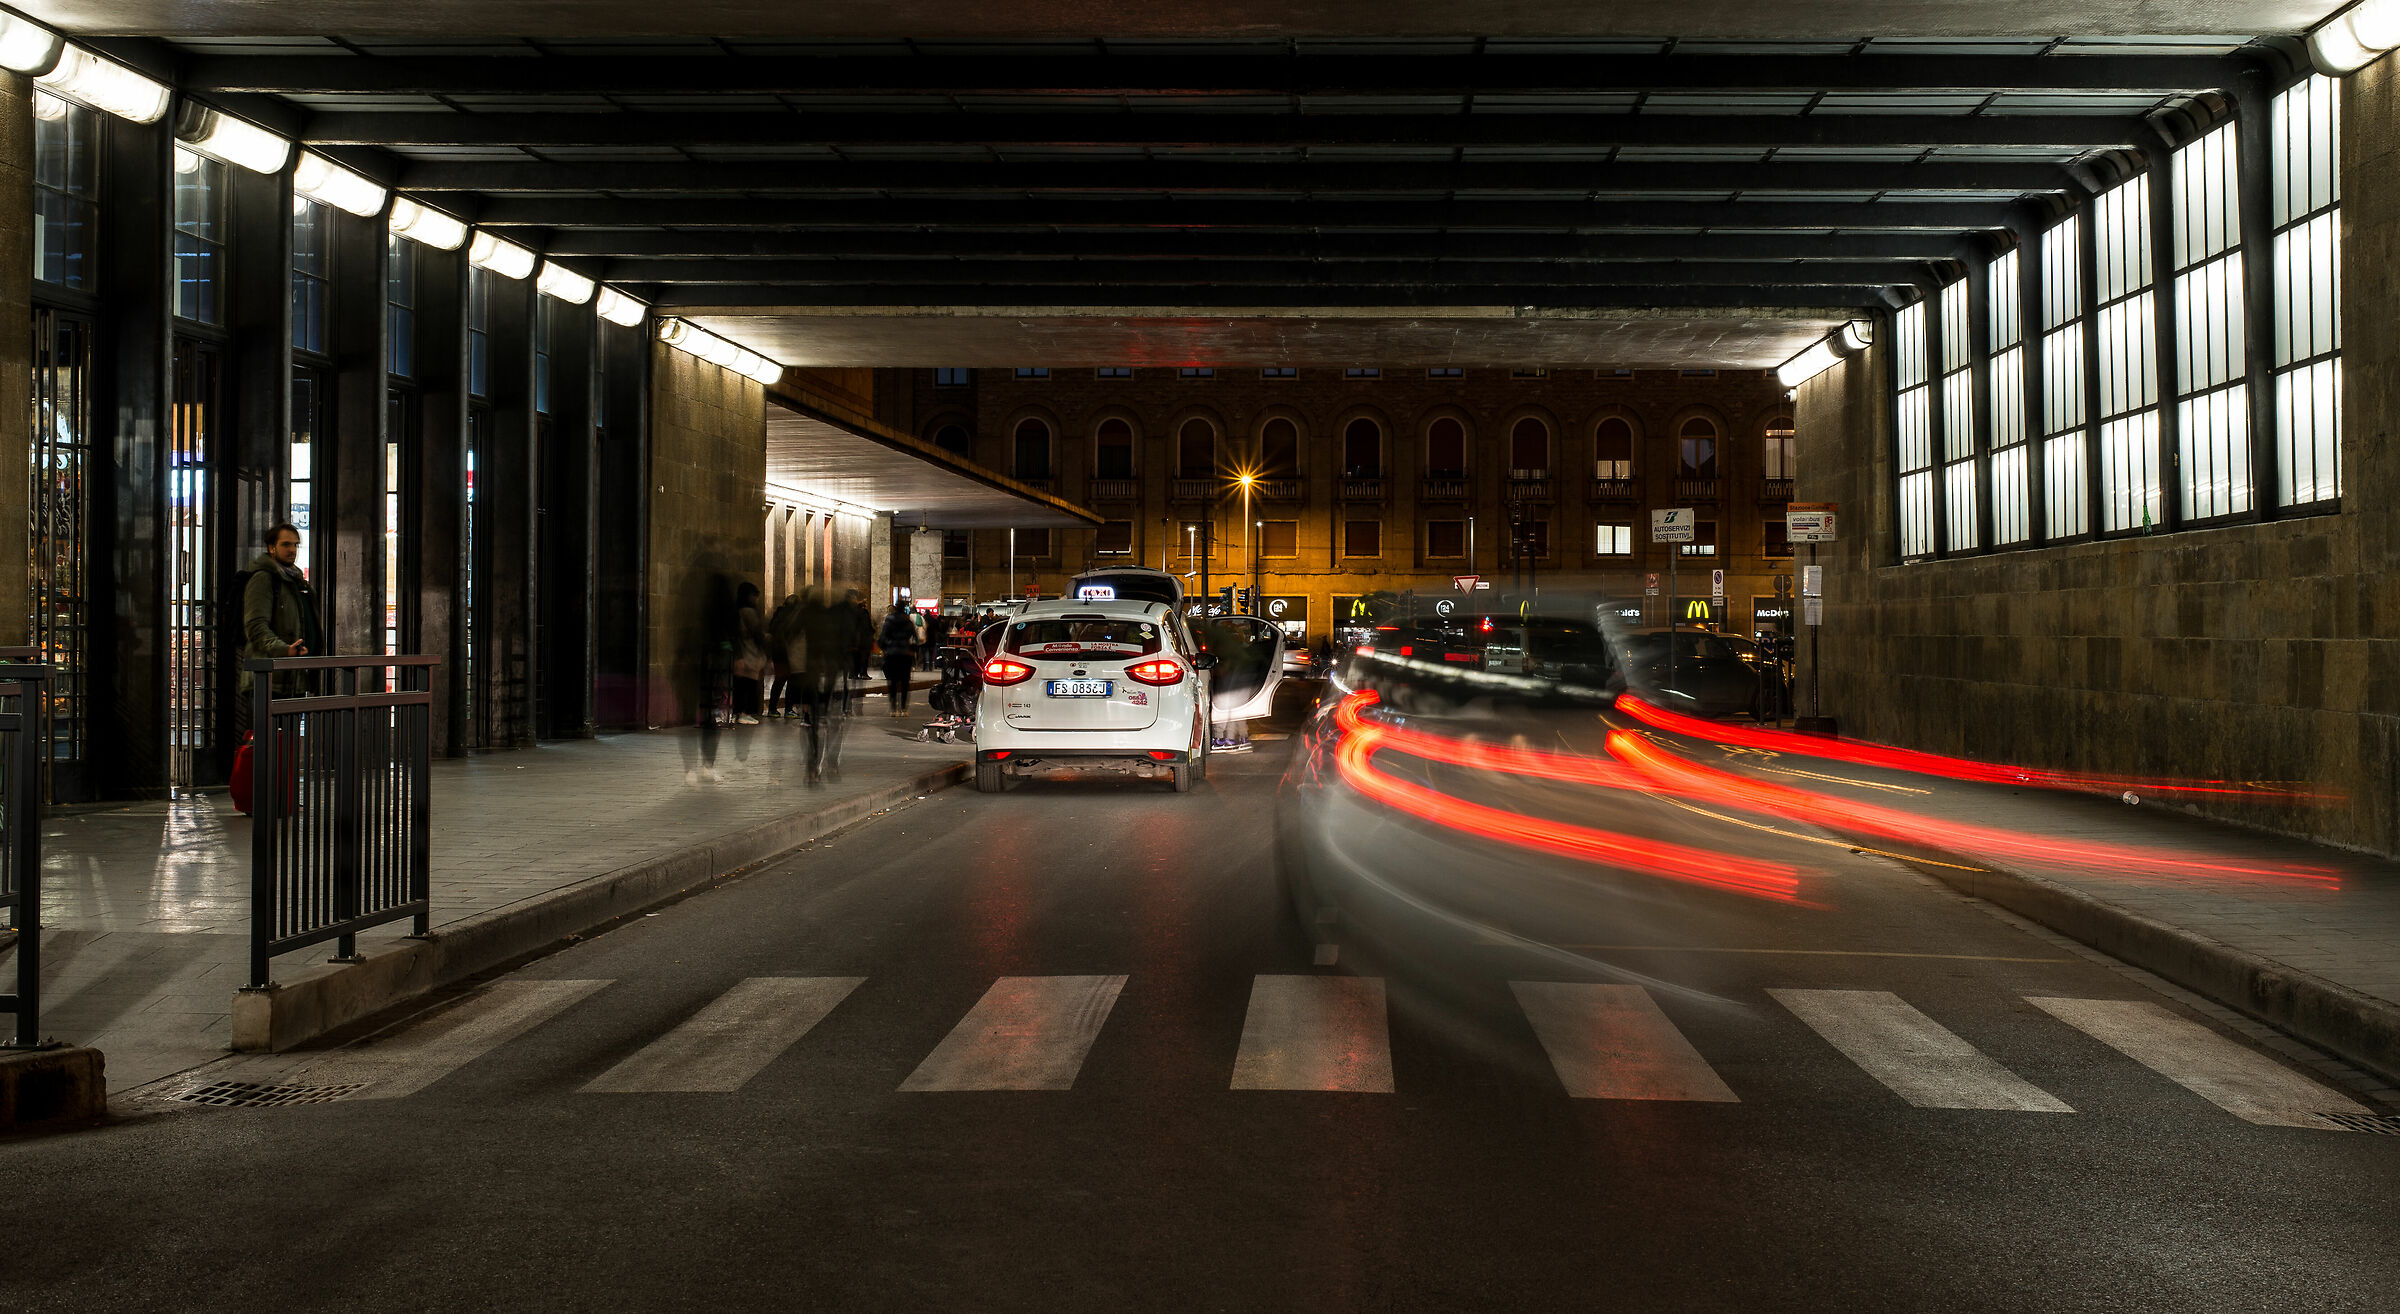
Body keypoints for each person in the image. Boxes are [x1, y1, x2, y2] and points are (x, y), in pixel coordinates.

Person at [236, 522, 324, 718]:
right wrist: (285, 649)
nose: (292, 550)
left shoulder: (296, 582)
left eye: (295, 545)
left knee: (287, 742)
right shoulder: (264, 579)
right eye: (286, 544)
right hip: (268, 679)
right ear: (271, 547)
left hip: (294, 678)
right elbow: (255, 626)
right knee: (267, 742)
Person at [797, 587, 850, 784]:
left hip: (816, 676)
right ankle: (830, 763)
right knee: (834, 723)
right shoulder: (836, 620)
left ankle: (814, 767)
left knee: (816, 724)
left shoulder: (807, 620)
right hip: (831, 677)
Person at [731, 582, 770, 726]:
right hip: (749, 651)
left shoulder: (737, 610)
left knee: (741, 684)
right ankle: (743, 712)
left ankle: (739, 712)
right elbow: (757, 632)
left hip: (743, 650)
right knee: (747, 684)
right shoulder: (748, 612)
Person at [765, 593, 805, 718]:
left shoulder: (778, 615)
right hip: (788, 652)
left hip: (777, 652)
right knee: (792, 681)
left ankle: (772, 709)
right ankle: (788, 709)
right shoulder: (792, 617)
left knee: (779, 680)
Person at [878, 601, 919, 716]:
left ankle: (893, 708)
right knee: (905, 682)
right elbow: (915, 639)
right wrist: (913, 650)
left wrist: (885, 648)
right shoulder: (908, 621)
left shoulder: (889, 621)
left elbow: (882, 638)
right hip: (905, 653)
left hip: (892, 654)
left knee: (892, 681)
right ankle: (904, 708)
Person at [844, 589, 874, 713]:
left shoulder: (849, 612)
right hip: (862, 640)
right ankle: (862, 673)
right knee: (863, 658)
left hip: (851, 641)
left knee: (854, 658)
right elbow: (866, 627)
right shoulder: (863, 613)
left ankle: (853, 673)